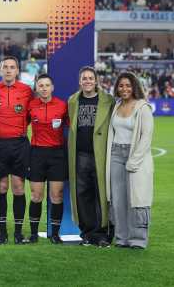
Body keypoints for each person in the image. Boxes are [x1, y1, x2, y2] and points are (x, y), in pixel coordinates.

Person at [0, 56, 33, 244]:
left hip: (20, 144)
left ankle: (18, 233)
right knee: (2, 187)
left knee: (19, 187)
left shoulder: (26, 90)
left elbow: (29, 115)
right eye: (5, 67)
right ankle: (3, 233)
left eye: (12, 67)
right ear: (0, 70)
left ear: (17, 70)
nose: (8, 70)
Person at [106, 72, 154, 249]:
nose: (124, 89)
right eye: (121, 86)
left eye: (128, 85)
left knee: (137, 199)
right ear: (117, 88)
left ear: (134, 87)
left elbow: (146, 137)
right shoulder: (116, 106)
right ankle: (121, 239)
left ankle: (138, 240)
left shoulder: (143, 108)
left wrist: (134, 161)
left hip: (136, 157)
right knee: (118, 199)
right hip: (116, 155)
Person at [67, 66, 114, 247]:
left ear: (96, 81)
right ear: (80, 82)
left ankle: (103, 233)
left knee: (102, 194)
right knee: (82, 194)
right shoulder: (73, 101)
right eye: (84, 78)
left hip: (101, 155)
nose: (87, 81)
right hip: (81, 155)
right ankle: (87, 232)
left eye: (90, 78)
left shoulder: (107, 101)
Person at [27, 74, 68, 244]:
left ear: (52, 87)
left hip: (57, 154)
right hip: (36, 154)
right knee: (37, 195)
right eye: (41, 85)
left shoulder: (62, 105)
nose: (44, 88)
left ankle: (55, 234)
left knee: (56, 195)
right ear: (36, 88)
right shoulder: (31, 105)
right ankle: (34, 234)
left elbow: (73, 126)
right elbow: (21, 126)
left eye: (47, 85)